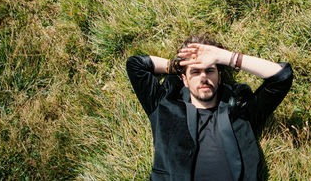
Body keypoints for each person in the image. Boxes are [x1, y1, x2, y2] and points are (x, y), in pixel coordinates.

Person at [126, 34, 293, 181]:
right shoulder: (164, 106)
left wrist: (225, 57)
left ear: (219, 77)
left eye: (210, 70)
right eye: (195, 72)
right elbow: (135, 66)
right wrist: (179, 64)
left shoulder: (241, 110)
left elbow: (281, 76)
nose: (204, 77)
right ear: (184, 80)